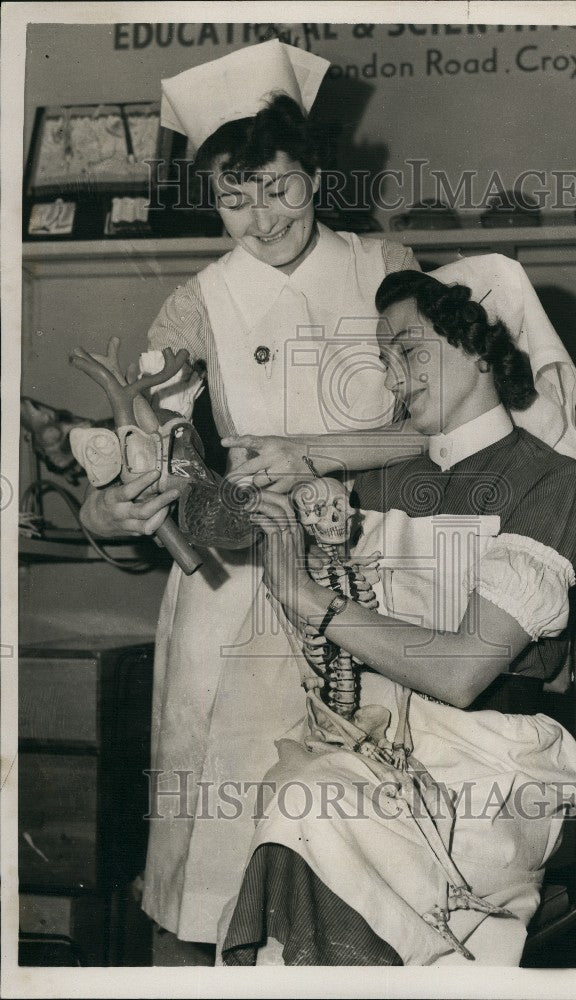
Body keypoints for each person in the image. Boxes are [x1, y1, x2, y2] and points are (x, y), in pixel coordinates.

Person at [78, 40, 426, 946]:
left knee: (370, 836)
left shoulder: (388, 266)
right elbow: (155, 458)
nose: (261, 218)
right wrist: (124, 507)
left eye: (279, 188)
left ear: (315, 174)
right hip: (233, 588)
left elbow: (441, 428)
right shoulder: (193, 306)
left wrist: (317, 458)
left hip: (380, 576)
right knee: (211, 853)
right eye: (235, 198)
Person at [218, 262, 576, 965]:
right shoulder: (372, 479)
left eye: (409, 349)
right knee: (295, 799)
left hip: (492, 763)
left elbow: (461, 672)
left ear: (480, 347)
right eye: (384, 359)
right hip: (374, 747)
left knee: (315, 816)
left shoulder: (556, 485)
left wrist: (307, 596)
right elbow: (229, 525)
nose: (393, 377)